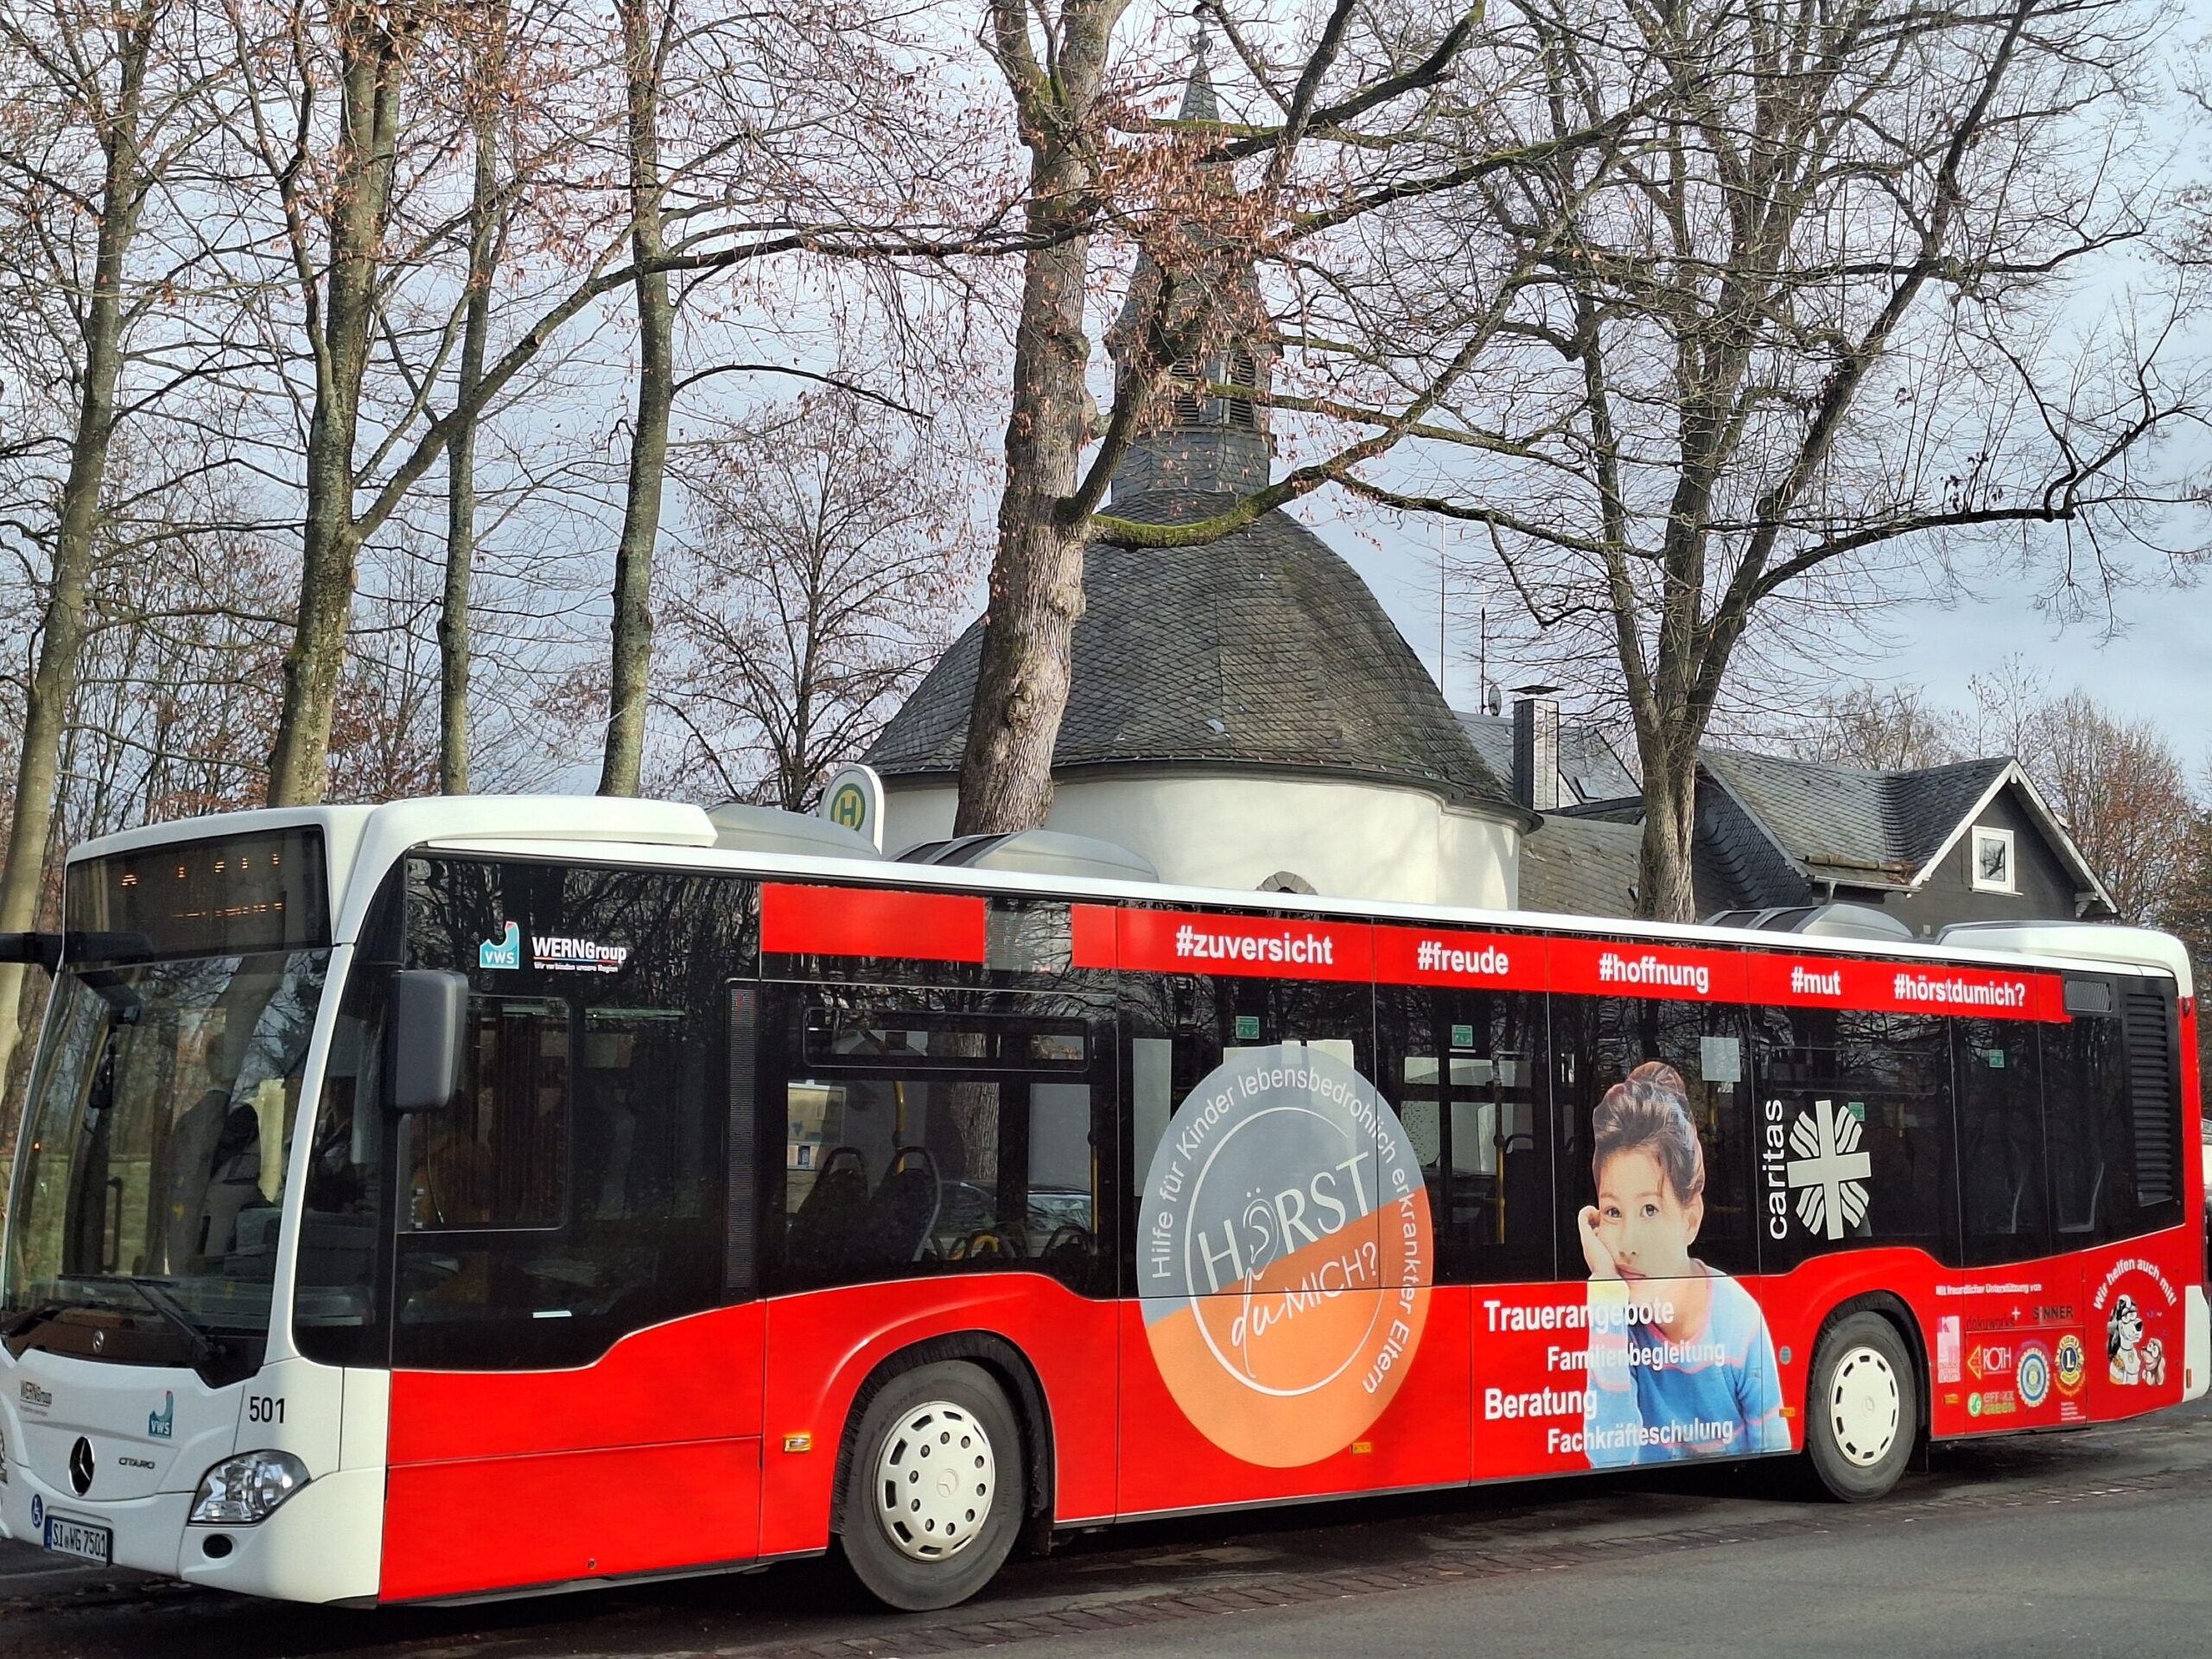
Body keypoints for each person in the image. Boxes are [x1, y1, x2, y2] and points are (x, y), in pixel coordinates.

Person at [1578, 1061, 1788, 1466]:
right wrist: (1605, 1288)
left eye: (1651, 1210)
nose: (1627, 1245)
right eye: (1614, 1213)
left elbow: (1773, 1450)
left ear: (1690, 1219)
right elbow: (1609, 1456)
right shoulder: (1622, 1315)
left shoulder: (1737, 1318)